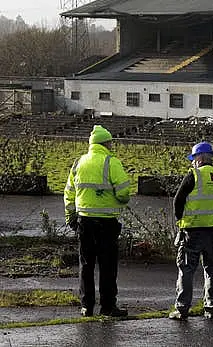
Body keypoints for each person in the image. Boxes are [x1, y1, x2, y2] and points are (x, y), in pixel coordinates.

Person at [64, 125, 131, 318]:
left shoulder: (79, 163)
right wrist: (121, 200)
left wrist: (71, 218)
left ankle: (86, 306)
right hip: (107, 223)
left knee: (86, 265)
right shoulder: (112, 162)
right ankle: (108, 306)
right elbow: (124, 192)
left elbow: (69, 193)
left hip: (84, 222)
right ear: (106, 143)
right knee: (107, 266)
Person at [169, 141, 213, 321]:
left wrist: (181, 221)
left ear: (198, 158)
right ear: (210, 158)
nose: (192, 162)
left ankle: (182, 309)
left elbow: (178, 201)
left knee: (186, 270)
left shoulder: (193, 175)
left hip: (193, 231)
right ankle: (212, 308)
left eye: (193, 158)